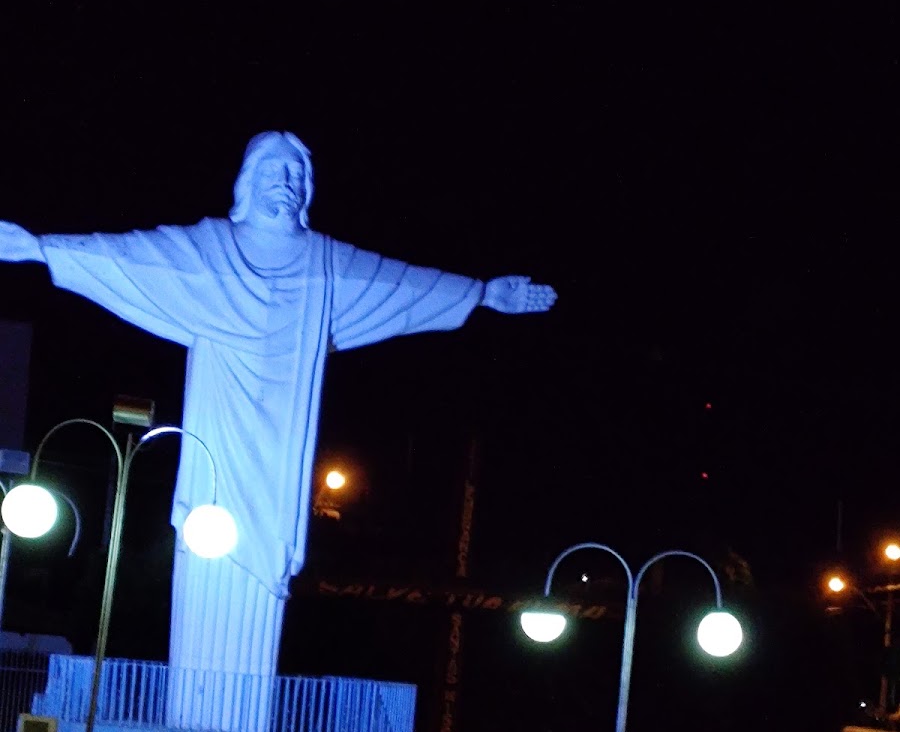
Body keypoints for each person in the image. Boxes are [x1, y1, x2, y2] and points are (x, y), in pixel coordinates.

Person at [0, 130, 557, 728]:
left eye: (297, 172)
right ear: (247, 179)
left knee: (261, 603)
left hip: (277, 481)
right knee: (208, 588)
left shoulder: (327, 268)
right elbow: (133, 258)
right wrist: (42, 248)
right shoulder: (209, 254)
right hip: (215, 468)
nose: (286, 181)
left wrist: (478, 294)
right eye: (274, 168)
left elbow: (397, 283)